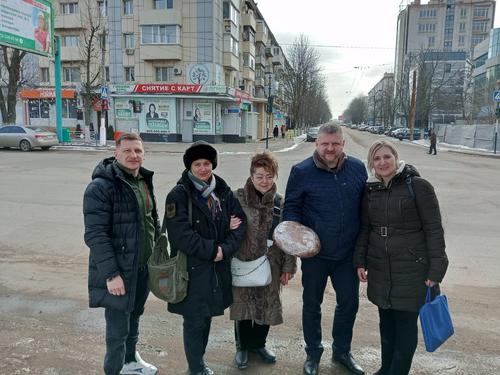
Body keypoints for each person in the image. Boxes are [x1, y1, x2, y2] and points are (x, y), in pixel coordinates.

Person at [354, 140, 448, 375]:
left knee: (405, 330)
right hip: (381, 269)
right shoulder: (371, 191)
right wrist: (360, 260)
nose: (382, 162)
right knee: (386, 325)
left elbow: (434, 229)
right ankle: (386, 369)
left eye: (387, 157)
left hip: (412, 269)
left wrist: (437, 269)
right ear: (372, 164)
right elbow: (365, 228)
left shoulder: (418, 186)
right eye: (377, 159)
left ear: (396, 158)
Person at [283, 123, 367, 375]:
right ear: (316, 144)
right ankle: (313, 353)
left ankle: (341, 351)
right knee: (311, 304)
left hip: (346, 255)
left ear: (343, 144)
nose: (330, 149)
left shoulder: (357, 168)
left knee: (349, 303)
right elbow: (291, 210)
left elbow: (365, 209)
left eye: (335, 143)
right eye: (324, 144)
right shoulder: (301, 171)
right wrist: (298, 243)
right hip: (315, 256)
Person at [163, 141, 247, 375]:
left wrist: (225, 248)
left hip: (216, 270)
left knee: (207, 317)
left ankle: (198, 364)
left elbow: (240, 224)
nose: (202, 168)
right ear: (190, 167)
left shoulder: (222, 191)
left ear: (213, 165)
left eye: (207, 163)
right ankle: (196, 367)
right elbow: (181, 236)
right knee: (194, 321)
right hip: (191, 271)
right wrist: (215, 250)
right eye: (197, 164)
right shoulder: (178, 195)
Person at [83, 133, 160, 375]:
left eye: (137, 150)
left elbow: (151, 220)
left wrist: (158, 252)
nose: (133, 155)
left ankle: (130, 362)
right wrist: (111, 275)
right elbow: (95, 235)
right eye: (127, 150)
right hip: (119, 272)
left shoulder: (143, 181)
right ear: (116, 153)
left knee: (135, 317)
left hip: (142, 268)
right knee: (117, 331)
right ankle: (114, 370)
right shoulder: (100, 187)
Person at [230, 152, 297, 370]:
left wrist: (288, 265)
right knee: (243, 305)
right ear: (251, 176)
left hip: (272, 263)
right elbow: (221, 226)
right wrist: (226, 225)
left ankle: (259, 345)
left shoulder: (281, 202)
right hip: (243, 261)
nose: (264, 181)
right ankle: (242, 347)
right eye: (259, 176)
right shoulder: (236, 198)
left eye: (269, 176)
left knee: (266, 304)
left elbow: (289, 236)